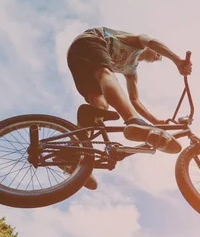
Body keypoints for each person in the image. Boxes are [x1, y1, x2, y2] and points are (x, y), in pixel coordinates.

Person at [61, 26, 193, 190]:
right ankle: (133, 121)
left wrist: (155, 121)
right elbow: (151, 41)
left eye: (160, 58)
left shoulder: (131, 71)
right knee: (106, 73)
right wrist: (176, 60)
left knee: (100, 106)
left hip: (78, 63)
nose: (158, 57)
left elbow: (134, 100)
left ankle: (72, 153)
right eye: (158, 54)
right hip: (89, 42)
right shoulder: (138, 42)